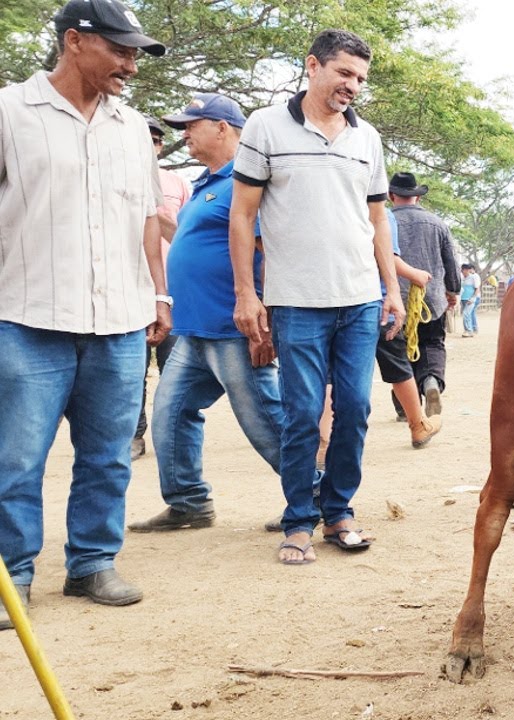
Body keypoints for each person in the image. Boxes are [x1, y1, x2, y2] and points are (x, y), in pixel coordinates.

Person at [0, 0, 169, 629]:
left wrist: (159, 294)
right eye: (119, 50)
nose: (130, 64)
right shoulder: (11, 110)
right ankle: (12, 573)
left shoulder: (131, 127)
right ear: (75, 40)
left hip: (120, 321)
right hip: (27, 316)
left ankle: (92, 563)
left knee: (108, 454)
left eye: (134, 53)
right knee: (17, 457)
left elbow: (147, 217)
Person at [230, 29, 404, 565]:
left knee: (354, 409)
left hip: (358, 299)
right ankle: (298, 520)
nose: (353, 85)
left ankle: (340, 512)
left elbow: (377, 218)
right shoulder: (264, 126)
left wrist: (391, 289)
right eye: (344, 73)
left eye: (360, 78)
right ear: (313, 66)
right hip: (296, 301)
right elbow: (243, 213)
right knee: (303, 413)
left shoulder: (365, 139)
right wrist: (246, 293)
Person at [126, 93, 295, 534]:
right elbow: (185, 235)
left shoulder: (247, 182)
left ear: (222, 127)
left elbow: (270, 253)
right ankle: (188, 503)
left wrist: (267, 317)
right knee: (170, 412)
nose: (184, 134)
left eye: (191, 125)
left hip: (232, 326)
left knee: (265, 420)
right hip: (195, 330)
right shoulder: (206, 183)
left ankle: (315, 494)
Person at [378, 171, 461, 446]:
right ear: (417, 196)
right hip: (430, 298)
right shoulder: (437, 223)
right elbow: (451, 263)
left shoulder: (382, 219)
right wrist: (452, 291)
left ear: (392, 196)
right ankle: (431, 381)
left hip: (392, 299)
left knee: (400, 352)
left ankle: (404, 409)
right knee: (432, 344)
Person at [132, 116, 192, 459]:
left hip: (173, 290)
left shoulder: (176, 183)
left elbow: (186, 232)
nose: (151, 144)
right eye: (145, 138)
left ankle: (171, 438)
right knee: (132, 371)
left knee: (175, 371)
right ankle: (134, 436)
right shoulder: (113, 178)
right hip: (132, 290)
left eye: (156, 140)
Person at [460, 264, 481, 336]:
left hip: (470, 299)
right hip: (463, 299)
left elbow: (477, 288)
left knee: (466, 313)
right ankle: (470, 330)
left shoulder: (473, 277)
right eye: (465, 270)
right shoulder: (462, 278)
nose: (466, 271)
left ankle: (468, 330)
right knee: (466, 314)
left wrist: (473, 298)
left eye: (467, 270)